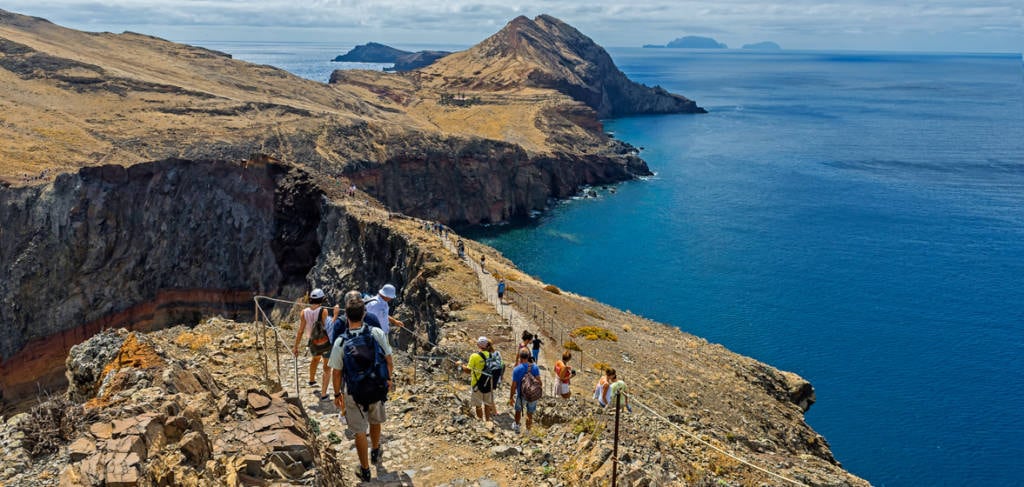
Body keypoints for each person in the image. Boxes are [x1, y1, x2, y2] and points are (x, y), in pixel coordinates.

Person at [329, 296, 394, 482]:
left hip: (354, 392)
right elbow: (389, 360)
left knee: (359, 431)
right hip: (377, 385)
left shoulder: (341, 342)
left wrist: (337, 394)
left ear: (346, 317)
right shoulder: (376, 333)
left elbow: (336, 372)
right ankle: (375, 449)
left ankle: (365, 470)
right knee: (375, 420)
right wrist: (388, 380)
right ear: (364, 314)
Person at [292, 288, 332, 401]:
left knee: (315, 359)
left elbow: (300, 330)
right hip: (325, 341)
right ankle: (323, 394)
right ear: (322, 299)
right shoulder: (324, 311)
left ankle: (311, 380)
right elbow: (327, 328)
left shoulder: (304, 312)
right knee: (326, 366)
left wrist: (296, 346)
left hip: (313, 341)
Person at [458, 336, 497, 421]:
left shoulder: (474, 356)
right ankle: (487, 422)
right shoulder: (492, 355)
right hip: (488, 384)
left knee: (478, 405)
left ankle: (480, 422)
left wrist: (461, 365)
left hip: (477, 384)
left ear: (478, 345)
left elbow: (468, 370)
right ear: (487, 345)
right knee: (487, 404)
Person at [509, 349, 540, 433]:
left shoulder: (517, 369)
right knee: (530, 413)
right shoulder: (535, 367)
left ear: (520, 357)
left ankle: (517, 426)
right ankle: (528, 430)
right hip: (532, 395)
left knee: (518, 410)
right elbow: (539, 382)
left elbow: (513, 385)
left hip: (521, 394)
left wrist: (511, 397)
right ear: (529, 356)